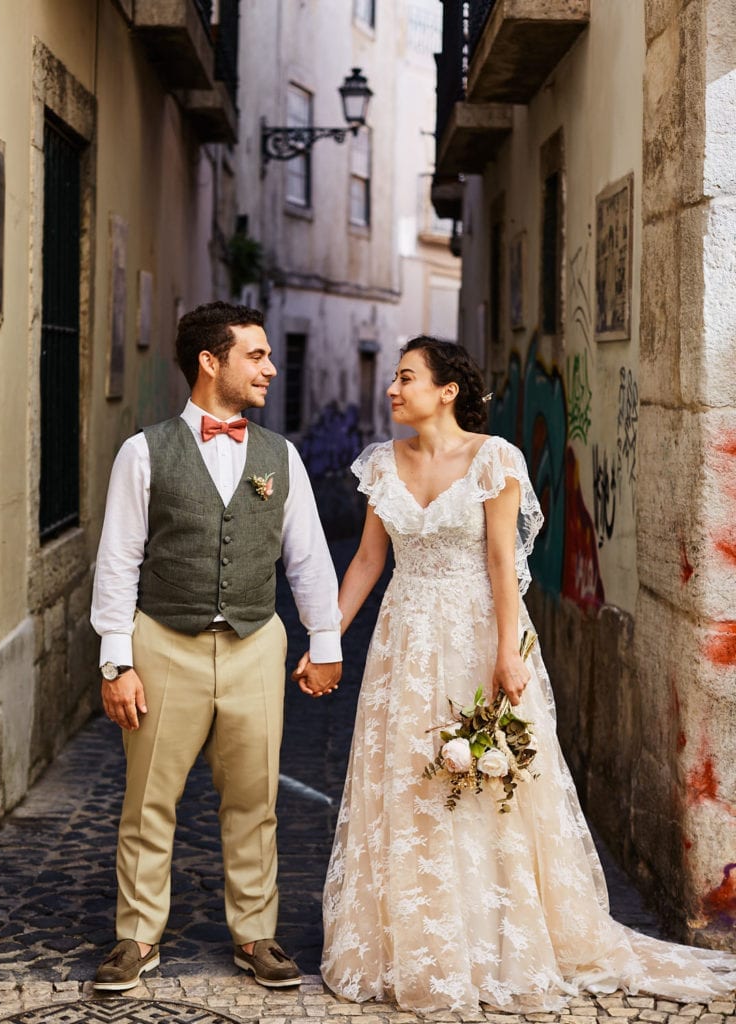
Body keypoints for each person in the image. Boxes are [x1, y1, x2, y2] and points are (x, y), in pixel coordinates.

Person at [315, 337, 736, 1014]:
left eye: (405, 378)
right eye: (394, 379)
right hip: (405, 641)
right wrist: (326, 636)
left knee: (489, 782)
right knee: (406, 779)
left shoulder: (494, 460)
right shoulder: (381, 465)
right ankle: (415, 940)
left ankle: (496, 938)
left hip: (479, 632)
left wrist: (508, 652)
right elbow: (367, 561)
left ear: (447, 389)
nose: (392, 390)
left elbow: (503, 564)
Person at [90, 301, 342, 993]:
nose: (270, 366)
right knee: (148, 800)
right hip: (163, 642)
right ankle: (136, 939)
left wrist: (326, 642)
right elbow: (118, 562)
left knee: (255, 798)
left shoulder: (279, 455)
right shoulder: (143, 453)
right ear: (211, 361)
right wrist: (118, 661)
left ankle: (255, 936)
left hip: (255, 643)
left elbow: (309, 558)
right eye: (255, 355)